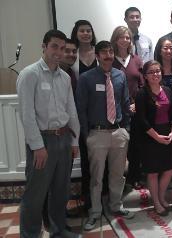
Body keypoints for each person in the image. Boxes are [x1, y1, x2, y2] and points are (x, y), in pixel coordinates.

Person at [17, 29, 80, 238]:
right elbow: (27, 116)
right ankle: (30, 234)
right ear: (44, 46)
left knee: (60, 191)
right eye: (54, 46)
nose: (59, 52)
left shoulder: (64, 77)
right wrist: (37, 147)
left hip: (63, 139)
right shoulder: (29, 74)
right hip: (42, 141)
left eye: (62, 48)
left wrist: (74, 140)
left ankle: (58, 230)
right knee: (35, 194)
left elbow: (70, 110)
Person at [76, 41, 134, 231]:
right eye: (104, 52)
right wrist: (86, 135)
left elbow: (125, 103)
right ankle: (95, 212)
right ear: (97, 56)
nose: (108, 55)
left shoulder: (120, 75)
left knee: (118, 174)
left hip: (118, 133)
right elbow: (81, 109)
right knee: (96, 177)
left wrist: (126, 129)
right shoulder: (86, 78)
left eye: (110, 51)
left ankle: (116, 206)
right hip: (97, 133)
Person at [135, 60, 172, 216]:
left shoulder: (167, 89)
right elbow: (142, 120)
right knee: (152, 172)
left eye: (158, 71)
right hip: (150, 135)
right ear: (145, 76)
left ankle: (160, 197)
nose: (155, 74)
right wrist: (156, 136)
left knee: (170, 168)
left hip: (167, 132)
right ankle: (157, 203)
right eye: (151, 72)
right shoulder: (142, 93)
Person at [110, 25, 144, 189]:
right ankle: (118, 181)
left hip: (136, 109)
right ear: (115, 40)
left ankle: (135, 177)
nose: (125, 40)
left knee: (136, 146)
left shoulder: (136, 59)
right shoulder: (110, 60)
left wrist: (136, 104)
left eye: (128, 37)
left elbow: (142, 84)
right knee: (119, 148)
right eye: (121, 37)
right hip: (116, 111)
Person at [70, 20, 97, 208]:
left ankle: (101, 194)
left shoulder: (99, 52)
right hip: (79, 110)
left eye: (88, 30)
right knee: (87, 153)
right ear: (76, 33)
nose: (86, 34)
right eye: (82, 31)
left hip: (98, 109)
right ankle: (88, 197)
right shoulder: (72, 54)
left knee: (101, 155)